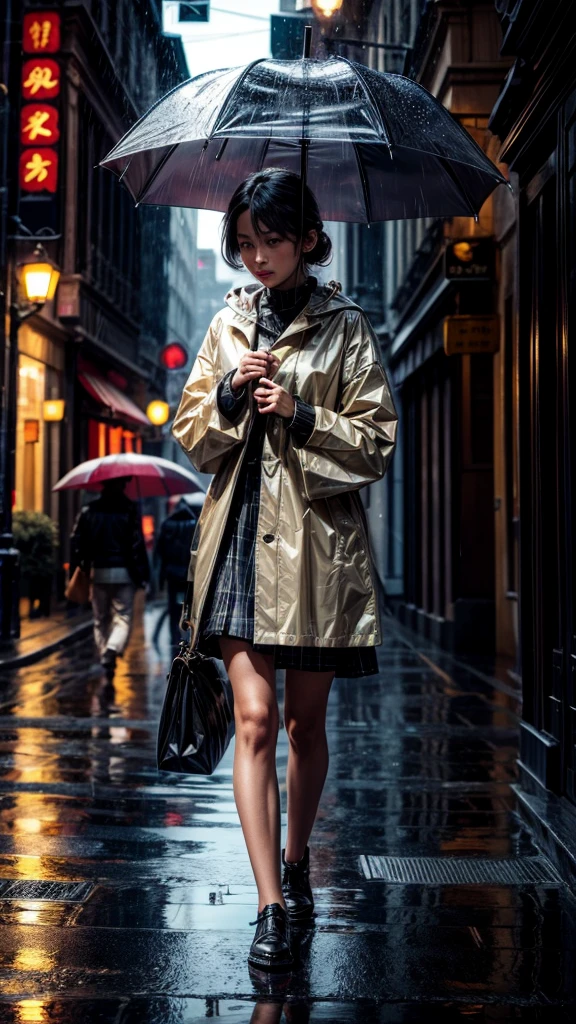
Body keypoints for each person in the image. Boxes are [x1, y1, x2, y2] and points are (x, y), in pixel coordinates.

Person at [172, 168, 398, 972]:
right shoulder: (228, 325)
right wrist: (231, 396)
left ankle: (297, 860)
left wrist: (300, 414)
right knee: (256, 721)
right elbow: (190, 432)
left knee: (305, 725)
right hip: (237, 542)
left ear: (306, 238)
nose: (256, 258)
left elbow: (376, 443)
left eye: (270, 241)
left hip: (315, 553)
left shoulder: (347, 327)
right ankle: (270, 901)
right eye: (244, 244)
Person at [70, 476, 149, 681]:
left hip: (99, 571)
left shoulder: (89, 510)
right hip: (124, 571)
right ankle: (111, 650)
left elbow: (77, 541)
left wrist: (83, 565)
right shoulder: (129, 510)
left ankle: (106, 652)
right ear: (123, 486)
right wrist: (143, 575)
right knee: (123, 617)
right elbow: (136, 544)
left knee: (100, 618)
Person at [154, 496, 199, 645]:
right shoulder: (195, 525)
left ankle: (175, 636)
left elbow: (160, 553)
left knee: (173, 607)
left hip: (172, 573)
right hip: (189, 573)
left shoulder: (167, 525)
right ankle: (189, 637)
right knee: (190, 605)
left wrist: (159, 578)